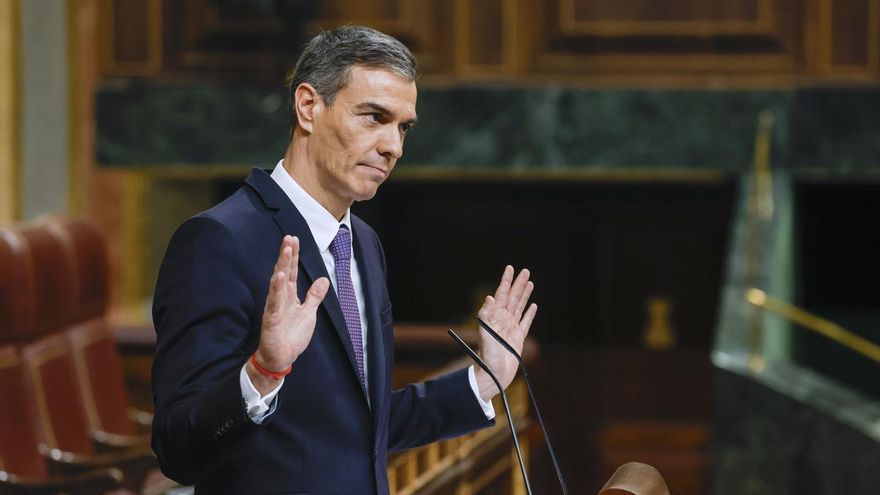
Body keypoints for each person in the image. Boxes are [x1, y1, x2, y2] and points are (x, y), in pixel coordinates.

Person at [151, 25, 537, 494]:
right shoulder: (218, 241)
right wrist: (262, 373)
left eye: (403, 127)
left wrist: (484, 379)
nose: (393, 146)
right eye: (374, 117)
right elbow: (177, 448)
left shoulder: (363, 243)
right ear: (308, 106)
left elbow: (358, 430)